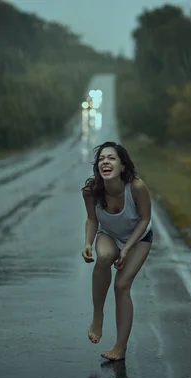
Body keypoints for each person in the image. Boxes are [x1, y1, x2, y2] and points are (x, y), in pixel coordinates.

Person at [81, 141, 153, 361]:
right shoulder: (91, 190)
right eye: (102, 158)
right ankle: (97, 316)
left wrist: (127, 249)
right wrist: (87, 243)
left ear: (122, 166)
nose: (106, 161)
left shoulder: (137, 187)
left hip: (138, 238)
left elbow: (145, 219)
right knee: (103, 256)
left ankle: (120, 348)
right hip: (109, 234)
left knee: (122, 286)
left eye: (111, 158)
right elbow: (92, 219)